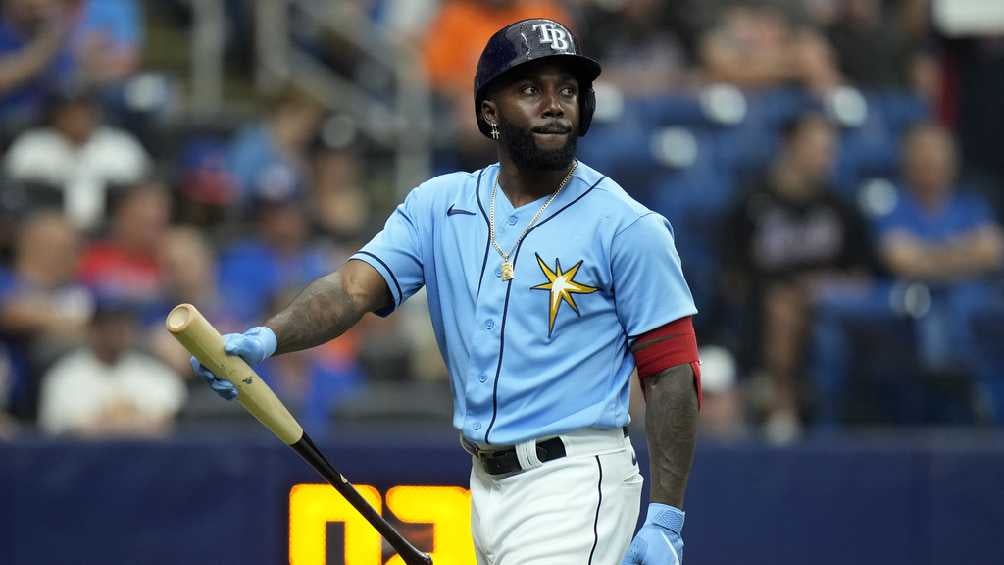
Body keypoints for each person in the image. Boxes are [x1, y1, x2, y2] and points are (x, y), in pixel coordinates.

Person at [193, 19, 701, 565]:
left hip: (576, 483)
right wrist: (269, 338)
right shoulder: (439, 204)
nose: (554, 104)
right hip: (485, 489)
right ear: (489, 113)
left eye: (568, 90)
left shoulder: (626, 224)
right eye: (530, 89)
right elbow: (351, 289)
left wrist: (666, 517)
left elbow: (671, 369)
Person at [723, 113, 874, 442]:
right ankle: (779, 402)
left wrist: (824, 290)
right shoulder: (752, 204)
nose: (826, 156)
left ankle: (804, 410)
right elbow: (732, 279)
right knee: (781, 305)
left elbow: (863, 277)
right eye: (817, 147)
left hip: (829, 309)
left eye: (830, 148)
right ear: (789, 146)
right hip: (761, 315)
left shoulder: (841, 208)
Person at [4, 86, 151, 230]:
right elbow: (11, 195)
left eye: (84, 112)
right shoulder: (31, 146)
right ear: (56, 115)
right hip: (47, 231)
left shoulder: (121, 145)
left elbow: (144, 195)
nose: (78, 118)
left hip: (111, 233)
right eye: (70, 112)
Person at [38, 293, 185, 437]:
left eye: (122, 324)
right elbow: (58, 430)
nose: (116, 331)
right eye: (108, 325)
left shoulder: (154, 373)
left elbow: (167, 422)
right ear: (92, 329)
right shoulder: (64, 376)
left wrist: (113, 423)